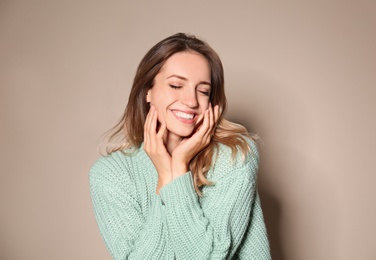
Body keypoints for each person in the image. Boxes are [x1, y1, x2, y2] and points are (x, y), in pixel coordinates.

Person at [89, 33, 271, 260]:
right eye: (176, 85)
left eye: (203, 90)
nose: (192, 101)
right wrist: (167, 175)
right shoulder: (111, 174)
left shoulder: (235, 155)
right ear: (148, 91)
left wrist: (178, 166)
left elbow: (209, 257)